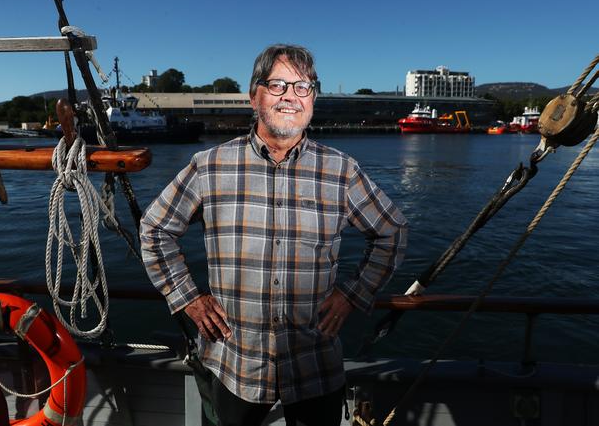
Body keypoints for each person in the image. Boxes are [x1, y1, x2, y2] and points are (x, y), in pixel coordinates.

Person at [141, 44, 408, 426]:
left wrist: (353, 294)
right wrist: (187, 298)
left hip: (314, 365)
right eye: (278, 85)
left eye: (303, 87)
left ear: (313, 100)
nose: (290, 97)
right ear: (254, 96)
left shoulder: (341, 171)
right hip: (235, 364)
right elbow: (155, 228)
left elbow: (391, 231)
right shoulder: (210, 166)